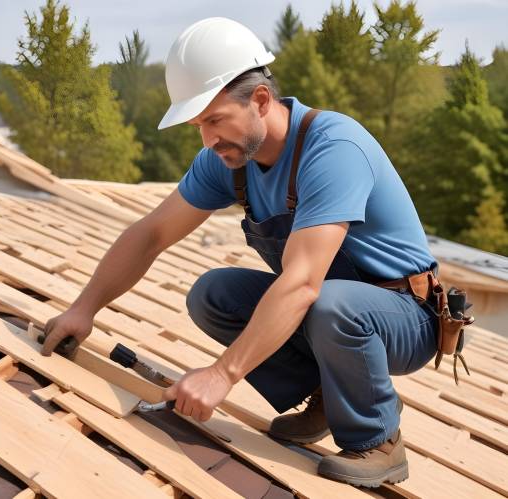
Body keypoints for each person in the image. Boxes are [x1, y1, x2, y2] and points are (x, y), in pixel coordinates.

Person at [41, 17, 442, 488]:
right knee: (214, 294)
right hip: (330, 307)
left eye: (214, 120)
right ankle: (331, 396)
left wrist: (222, 374)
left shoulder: (333, 148)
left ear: (261, 100)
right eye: (198, 125)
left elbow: (304, 283)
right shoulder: (229, 159)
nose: (207, 139)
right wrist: (82, 309)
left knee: (331, 302)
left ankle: (378, 439)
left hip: (404, 316)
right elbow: (151, 233)